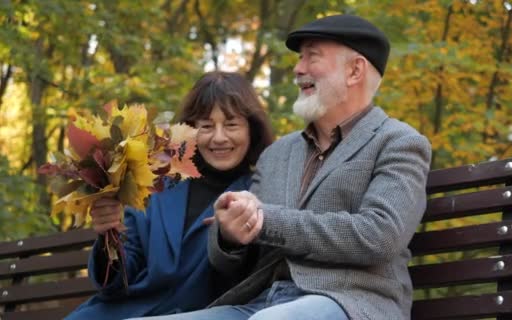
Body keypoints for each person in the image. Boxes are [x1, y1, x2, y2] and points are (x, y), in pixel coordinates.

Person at [130, 14, 431, 320]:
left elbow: (379, 236)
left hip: (354, 302)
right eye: (299, 58)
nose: (298, 69)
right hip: (265, 301)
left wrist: (266, 221)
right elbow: (236, 262)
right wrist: (231, 236)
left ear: (354, 70)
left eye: (312, 56)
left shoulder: (399, 142)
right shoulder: (277, 154)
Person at [66, 71, 274, 319]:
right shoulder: (156, 185)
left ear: (252, 130)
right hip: (122, 312)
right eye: (206, 126)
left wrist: (230, 242)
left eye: (231, 124)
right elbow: (116, 283)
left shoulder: (261, 191)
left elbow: (251, 286)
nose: (219, 137)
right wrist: (107, 238)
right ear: (190, 131)